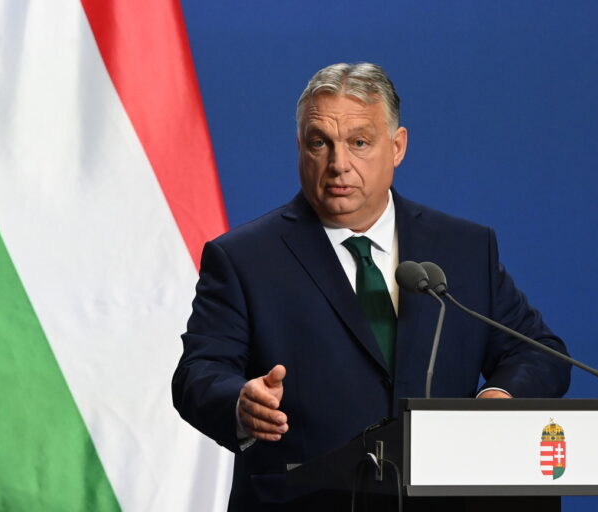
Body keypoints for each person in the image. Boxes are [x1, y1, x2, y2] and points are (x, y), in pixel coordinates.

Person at [172, 62, 570, 511]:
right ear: (300, 147)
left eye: (359, 143)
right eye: (319, 143)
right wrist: (241, 403)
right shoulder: (243, 258)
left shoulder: (464, 248)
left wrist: (497, 399)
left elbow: (537, 352)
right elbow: (197, 374)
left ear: (397, 147)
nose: (338, 164)